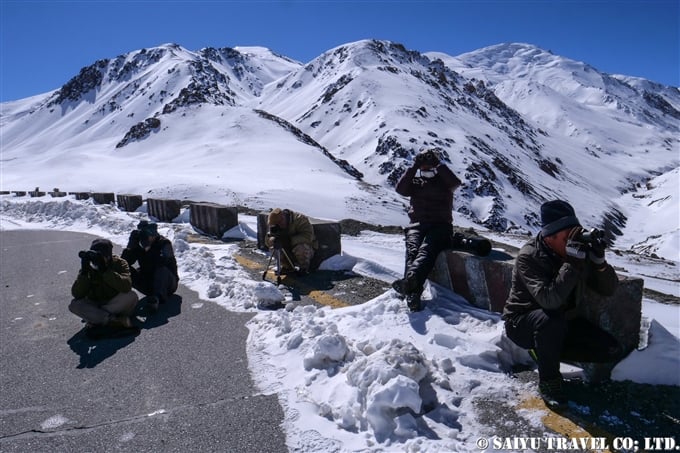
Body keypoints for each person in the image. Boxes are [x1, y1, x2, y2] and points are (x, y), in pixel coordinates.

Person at [502, 200, 623, 407]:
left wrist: (599, 263)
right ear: (550, 238)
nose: (572, 242)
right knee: (550, 321)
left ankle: (546, 350)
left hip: (561, 321)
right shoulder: (529, 256)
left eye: (575, 234)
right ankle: (549, 382)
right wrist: (572, 263)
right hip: (522, 323)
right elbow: (549, 300)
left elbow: (608, 289)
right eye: (568, 237)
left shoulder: (576, 251)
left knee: (610, 350)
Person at [392, 148, 462, 311]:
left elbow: (455, 183)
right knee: (413, 251)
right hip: (417, 225)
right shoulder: (416, 182)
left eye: (428, 165)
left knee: (426, 250)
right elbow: (400, 189)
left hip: (440, 226)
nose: (425, 168)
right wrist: (414, 166)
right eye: (423, 165)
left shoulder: (444, 181)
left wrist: (438, 163)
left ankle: (409, 286)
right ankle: (413, 293)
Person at [69, 238, 139, 334]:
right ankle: (113, 320)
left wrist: (105, 271)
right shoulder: (89, 266)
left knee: (132, 296)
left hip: (114, 302)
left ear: (109, 256)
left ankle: (96, 318)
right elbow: (77, 294)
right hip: (96, 302)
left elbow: (126, 286)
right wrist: (84, 273)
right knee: (74, 305)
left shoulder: (119, 263)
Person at [121, 220, 178, 313]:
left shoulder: (164, 243)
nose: (148, 239)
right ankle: (121, 297)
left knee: (162, 269)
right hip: (148, 284)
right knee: (125, 269)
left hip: (168, 285)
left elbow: (165, 263)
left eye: (149, 236)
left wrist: (149, 250)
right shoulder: (139, 245)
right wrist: (130, 246)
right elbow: (124, 263)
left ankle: (156, 299)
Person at [266, 208, 317, 275]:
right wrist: (273, 240)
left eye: (280, 223)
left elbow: (308, 236)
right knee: (274, 248)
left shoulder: (300, 219)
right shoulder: (275, 224)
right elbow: (267, 241)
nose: (279, 225)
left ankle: (303, 268)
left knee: (301, 248)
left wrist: (289, 240)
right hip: (287, 250)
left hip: (306, 249)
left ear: (283, 217)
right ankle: (287, 267)